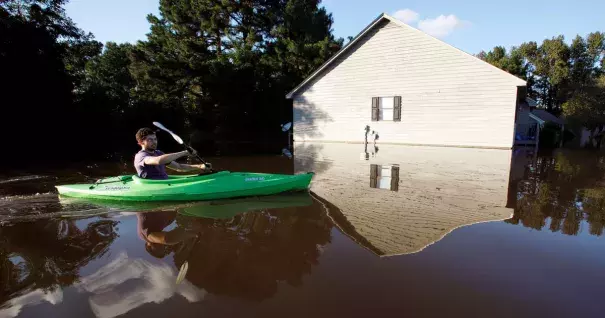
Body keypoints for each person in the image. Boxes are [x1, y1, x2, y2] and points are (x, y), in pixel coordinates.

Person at [134, 127, 211, 180]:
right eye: (150, 140)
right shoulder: (141, 156)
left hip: (166, 183)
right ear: (141, 142)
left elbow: (179, 167)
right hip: (153, 186)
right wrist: (184, 153)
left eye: (155, 139)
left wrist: (200, 166)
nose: (154, 142)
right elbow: (158, 161)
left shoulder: (159, 153)